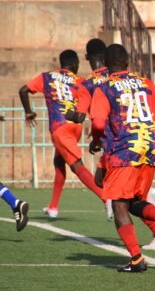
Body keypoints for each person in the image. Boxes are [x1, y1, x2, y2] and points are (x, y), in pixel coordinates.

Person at [87, 44, 155, 272]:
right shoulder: (145, 83)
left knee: (119, 204)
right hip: (149, 148)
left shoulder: (105, 88)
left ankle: (137, 259)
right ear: (127, 62)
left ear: (105, 65)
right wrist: (154, 133)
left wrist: (96, 141)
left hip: (124, 150)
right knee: (134, 201)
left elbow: (98, 123)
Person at [18, 49, 103, 219]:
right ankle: (53, 207)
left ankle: (106, 198)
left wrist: (28, 112)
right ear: (73, 64)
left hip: (60, 127)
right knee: (59, 161)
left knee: (77, 166)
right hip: (75, 126)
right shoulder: (80, 81)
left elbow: (23, 90)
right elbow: (93, 102)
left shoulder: (47, 77)